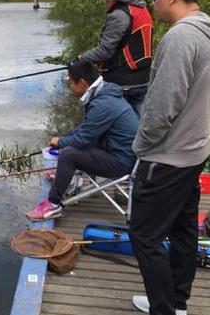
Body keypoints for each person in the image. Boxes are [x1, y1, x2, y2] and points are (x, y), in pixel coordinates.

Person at [120, 0, 210, 315]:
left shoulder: (180, 38)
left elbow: (161, 107)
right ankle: (176, 302)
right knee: (183, 230)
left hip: (168, 157)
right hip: (195, 151)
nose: (150, 4)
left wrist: (141, 148)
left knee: (144, 236)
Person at [26, 60, 139, 221]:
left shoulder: (103, 104)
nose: (70, 86)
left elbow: (83, 138)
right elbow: (86, 129)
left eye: (71, 82)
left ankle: (54, 204)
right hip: (120, 152)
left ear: (83, 82)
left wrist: (60, 142)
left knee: (68, 154)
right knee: (71, 144)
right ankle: (65, 175)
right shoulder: (105, 93)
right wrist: (63, 140)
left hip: (122, 162)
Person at [78, 0, 153, 117]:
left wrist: (81, 58)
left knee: (115, 129)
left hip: (122, 83)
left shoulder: (119, 15)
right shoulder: (142, 10)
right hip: (144, 79)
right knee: (139, 128)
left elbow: (105, 50)